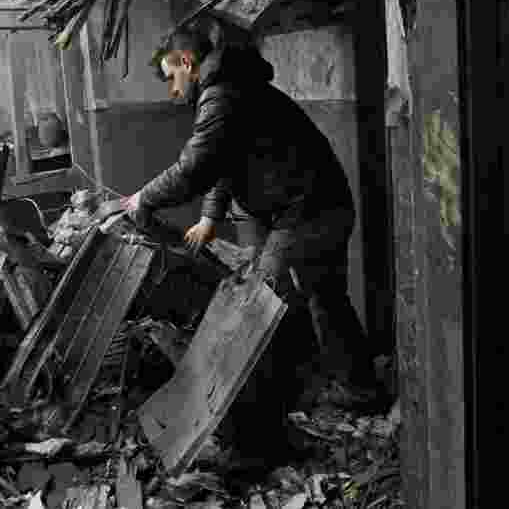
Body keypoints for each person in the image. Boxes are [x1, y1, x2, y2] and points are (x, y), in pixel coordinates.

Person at [121, 24, 380, 469]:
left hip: (304, 212)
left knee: (264, 316)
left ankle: (257, 446)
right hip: (320, 204)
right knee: (326, 298)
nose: (171, 89)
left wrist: (143, 197)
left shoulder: (221, 96)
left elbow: (197, 165)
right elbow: (227, 160)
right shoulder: (234, 88)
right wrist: (210, 216)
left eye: (170, 76)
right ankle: (359, 389)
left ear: (186, 61)